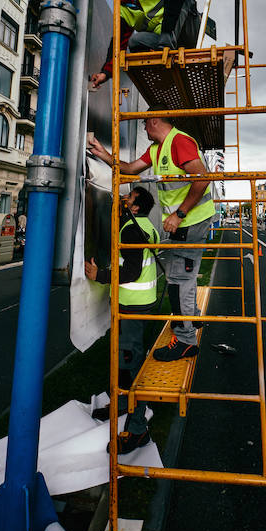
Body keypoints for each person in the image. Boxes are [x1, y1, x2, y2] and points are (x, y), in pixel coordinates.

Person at [89, 112, 215, 362]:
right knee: (180, 275)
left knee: (179, 279)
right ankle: (191, 320)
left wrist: (179, 214)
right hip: (185, 222)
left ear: (155, 121)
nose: (144, 128)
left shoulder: (179, 141)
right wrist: (102, 153)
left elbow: (202, 179)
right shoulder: (157, 149)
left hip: (192, 220)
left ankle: (186, 340)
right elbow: (129, 168)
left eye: (144, 122)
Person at [85, 186, 159, 455]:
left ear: (135, 207)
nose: (122, 200)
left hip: (133, 306)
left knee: (131, 365)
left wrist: (99, 275)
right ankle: (120, 404)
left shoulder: (131, 230)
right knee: (122, 357)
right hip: (140, 303)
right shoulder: (144, 224)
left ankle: (138, 429)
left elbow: (130, 271)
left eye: (128, 199)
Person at [90, 0, 174, 89]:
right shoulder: (123, 11)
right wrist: (105, 73)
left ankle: (166, 47)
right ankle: (158, 76)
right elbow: (118, 43)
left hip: (182, 28)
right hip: (163, 44)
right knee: (134, 42)